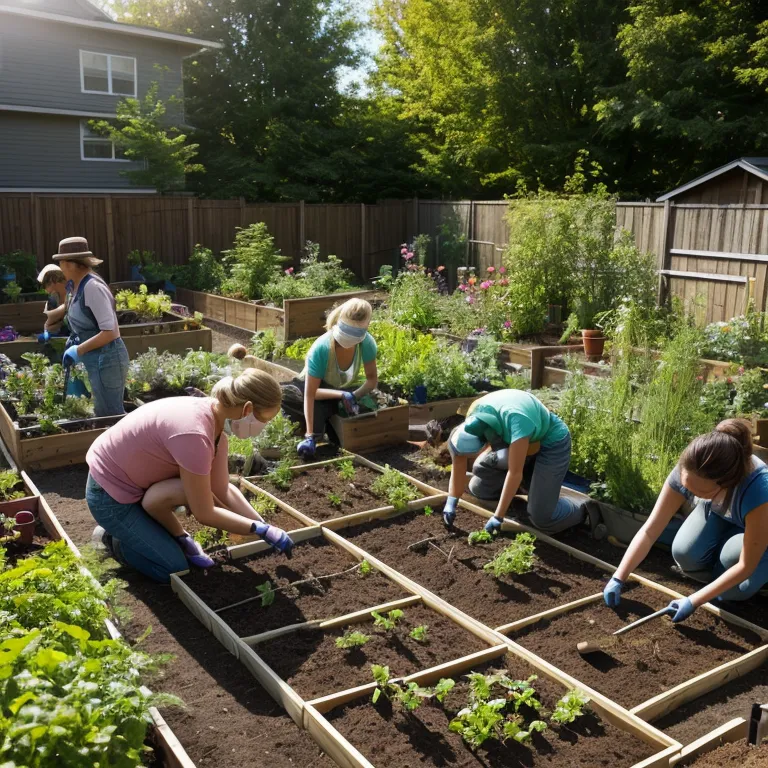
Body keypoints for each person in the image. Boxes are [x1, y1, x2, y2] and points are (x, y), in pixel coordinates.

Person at [87, 363, 294, 583]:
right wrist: (258, 530)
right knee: (173, 569)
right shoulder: (194, 435)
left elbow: (222, 489)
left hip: (137, 484)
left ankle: (141, 529)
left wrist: (264, 525)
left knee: (193, 501)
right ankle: (114, 541)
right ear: (248, 410)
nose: (263, 427)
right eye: (264, 421)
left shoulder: (215, 424)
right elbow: (204, 512)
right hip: (109, 495)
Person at [604, 419, 768, 623]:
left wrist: (694, 600)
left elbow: (745, 565)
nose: (691, 494)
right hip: (722, 513)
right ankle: (720, 572)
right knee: (684, 553)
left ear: (726, 484)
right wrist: (618, 577)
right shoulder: (691, 467)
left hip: (760, 530)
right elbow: (649, 531)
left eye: (701, 492)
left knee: (731, 582)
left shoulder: (759, 491)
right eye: (688, 488)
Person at [443, 389, 600, 536]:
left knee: (542, 518)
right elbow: (459, 461)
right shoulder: (473, 417)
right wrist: (451, 501)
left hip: (551, 443)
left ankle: (583, 510)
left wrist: (498, 516)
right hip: (521, 441)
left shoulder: (517, 422)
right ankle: (528, 488)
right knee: (480, 485)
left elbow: (514, 472)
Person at [283, 298, 379, 459]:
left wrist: (353, 396)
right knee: (317, 432)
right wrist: (310, 435)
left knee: (368, 413)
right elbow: (310, 394)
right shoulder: (322, 348)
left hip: (342, 389)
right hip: (315, 391)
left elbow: (371, 380)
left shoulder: (366, 343)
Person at [53, 237, 129, 417]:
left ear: (71, 264)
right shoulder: (76, 286)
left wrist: (78, 350)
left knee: (110, 416)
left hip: (107, 361)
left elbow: (110, 332)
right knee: (100, 414)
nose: (60, 267)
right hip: (94, 359)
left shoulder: (92, 287)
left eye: (61, 263)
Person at [36, 264, 69, 340]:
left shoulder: (71, 291)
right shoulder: (53, 299)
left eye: (45, 286)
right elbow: (49, 325)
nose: (46, 291)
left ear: (53, 281)